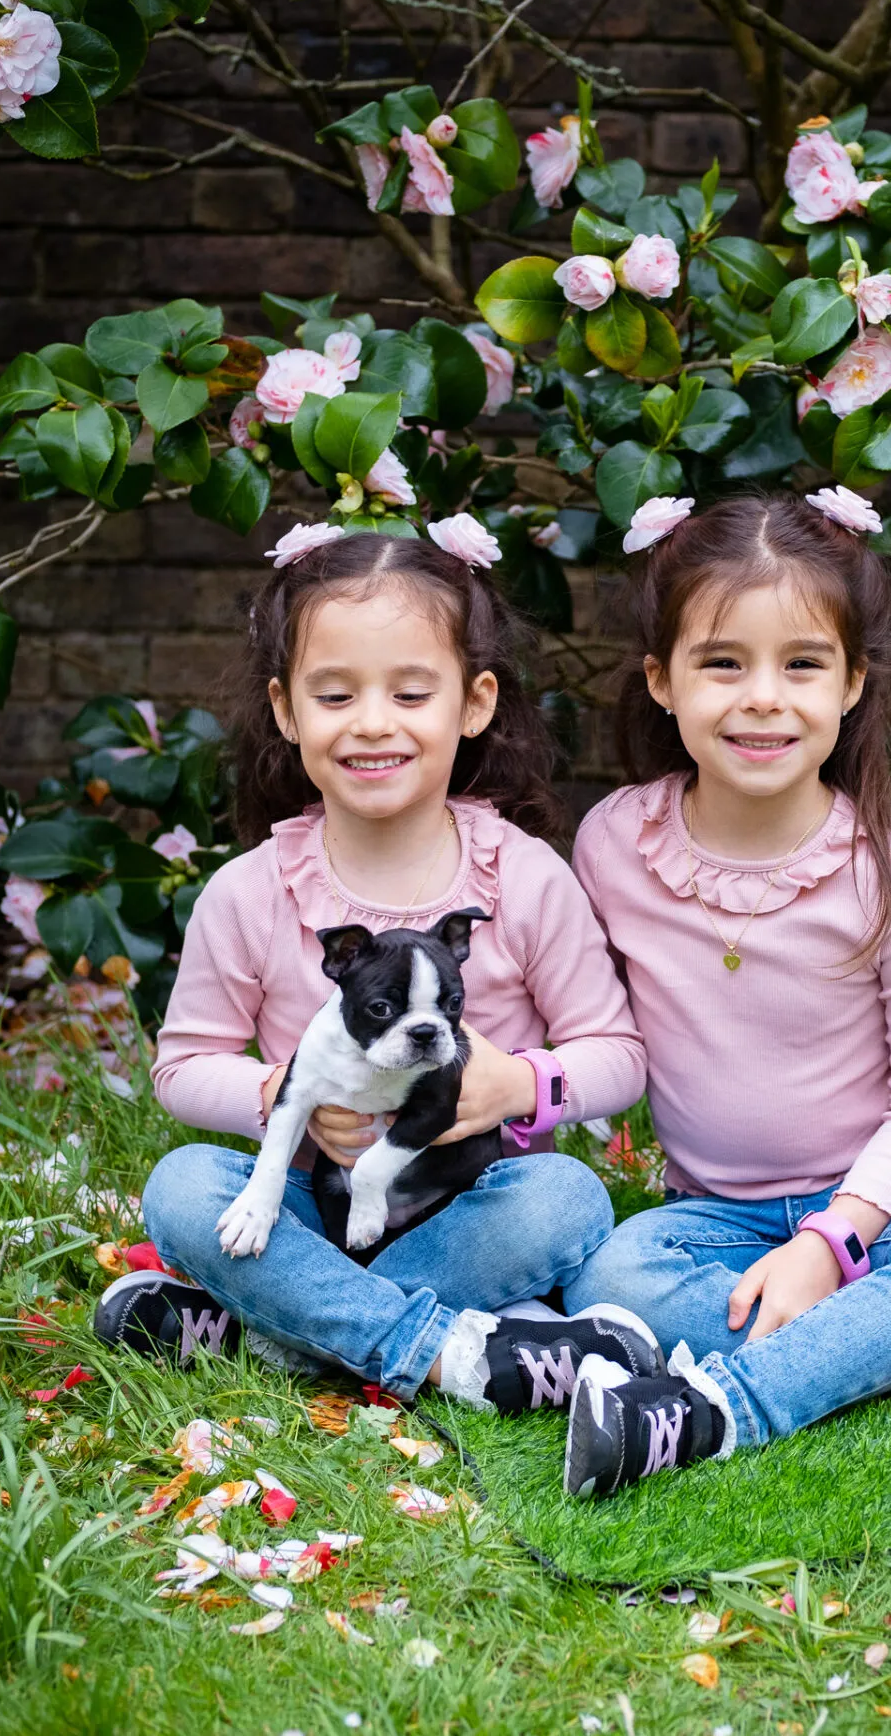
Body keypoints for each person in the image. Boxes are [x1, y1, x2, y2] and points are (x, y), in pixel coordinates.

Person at [560, 490, 891, 1499]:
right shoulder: (612, 847)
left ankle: (714, 1414)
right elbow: (586, 1026)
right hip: (707, 1219)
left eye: (800, 664)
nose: (762, 697)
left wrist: (829, 1244)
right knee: (608, 1281)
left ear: (849, 684)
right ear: (660, 682)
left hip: (879, 1215)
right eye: (722, 662)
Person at [93, 524, 665, 1415]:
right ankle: (440, 1349)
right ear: (287, 711)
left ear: (473, 703)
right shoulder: (251, 891)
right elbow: (182, 1065)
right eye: (335, 694)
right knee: (182, 1187)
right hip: (314, 1206)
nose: (371, 723)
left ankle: (274, 1326)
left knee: (569, 1197)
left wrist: (515, 1085)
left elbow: (617, 1055)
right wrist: (284, 1095)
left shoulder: (522, 877)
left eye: (409, 691)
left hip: (471, 1200)